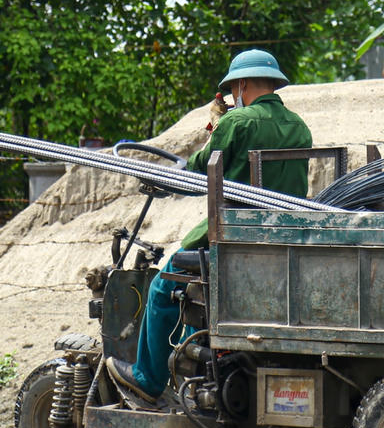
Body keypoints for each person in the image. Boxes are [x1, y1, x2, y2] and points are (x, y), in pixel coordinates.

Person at [106, 50, 312, 405]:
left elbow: (201, 169)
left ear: (241, 85)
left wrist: (218, 127)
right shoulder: (299, 126)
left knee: (161, 287)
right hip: (280, 235)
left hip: (232, 236)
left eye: (234, 89)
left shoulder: (237, 122)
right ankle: (191, 358)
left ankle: (147, 378)